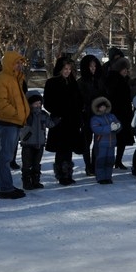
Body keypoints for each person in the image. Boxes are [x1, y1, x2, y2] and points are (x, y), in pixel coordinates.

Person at [0, 51, 30, 199]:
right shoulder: (1, 79)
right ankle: (5, 188)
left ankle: (7, 186)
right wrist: (16, 113)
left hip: (15, 123)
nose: (19, 65)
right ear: (9, 63)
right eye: (16, 63)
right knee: (5, 157)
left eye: (20, 63)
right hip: (7, 123)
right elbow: (0, 103)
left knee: (8, 157)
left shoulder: (16, 78)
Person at [44, 56, 83, 186]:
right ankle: (61, 174)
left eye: (69, 69)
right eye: (65, 69)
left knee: (69, 149)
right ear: (60, 69)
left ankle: (68, 173)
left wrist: (78, 114)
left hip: (72, 121)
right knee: (61, 149)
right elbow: (47, 102)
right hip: (60, 121)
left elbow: (79, 101)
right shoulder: (52, 82)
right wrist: (59, 113)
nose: (67, 71)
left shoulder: (73, 83)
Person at [19, 92, 58, 190]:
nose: (38, 105)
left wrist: (56, 120)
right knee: (27, 164)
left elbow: (49, 124)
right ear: (30, 104)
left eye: (39, 103)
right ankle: (26, 182)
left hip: (40, 143)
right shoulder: (26, 114)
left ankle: (36, 180)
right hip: (27, 143)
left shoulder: (43, 114)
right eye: (35, 103)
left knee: (36, 163)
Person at [104, 57, 134, 170]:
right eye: (123, 69)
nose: (125, 71)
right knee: (113, 138)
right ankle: (111, 160)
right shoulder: (113, 79)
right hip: (115, 112)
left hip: (125, 112)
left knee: (122, 139)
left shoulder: (126, 80)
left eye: (126, 69)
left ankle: (118, 160)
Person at [77, 54, 105, 175]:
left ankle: (94, 165)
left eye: (94, 66)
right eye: (90, 66)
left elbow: (105, 96)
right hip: (86, 115)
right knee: (86, 142)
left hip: (99, 114)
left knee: (98, 142)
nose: (93, 68)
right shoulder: (81, 82)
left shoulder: (100, 80)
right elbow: (79, 100)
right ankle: (88, 166)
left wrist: (103, 105)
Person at [90, 96, 121, 185]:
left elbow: (118, 123)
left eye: (104, 106)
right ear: (97, 108)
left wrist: (118, 126)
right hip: (101, 144)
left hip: (111, 143)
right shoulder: (95, 118)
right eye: (101, 107)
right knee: (101, 160)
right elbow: (96, 129)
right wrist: (109, 128)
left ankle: (108, 177)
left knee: (110, 160)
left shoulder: (112, 116)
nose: (103, 108)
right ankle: (100, 177)